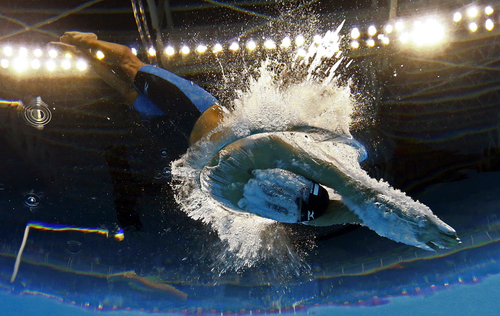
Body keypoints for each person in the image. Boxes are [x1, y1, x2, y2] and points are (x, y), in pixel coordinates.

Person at [54, 32, 461, 251]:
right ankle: (90, 42)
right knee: (128, 64)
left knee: (126, 95)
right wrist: (421, 223)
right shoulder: (278, 156)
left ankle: (87, 58)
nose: (275, 193)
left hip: (177, 142)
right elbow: (364, 196)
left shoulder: (277, 204)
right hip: (195, 114)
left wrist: (411, 234)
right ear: (297, 180)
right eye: (286, 189)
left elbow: (361, 215)